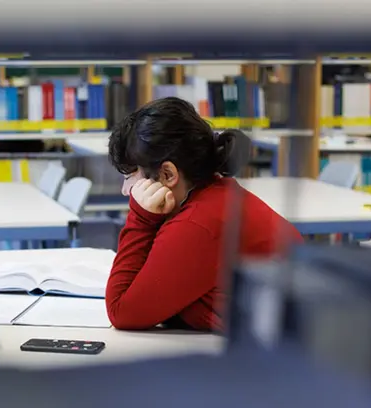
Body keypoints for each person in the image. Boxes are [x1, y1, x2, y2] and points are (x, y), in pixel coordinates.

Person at [106, 97, 302, 332]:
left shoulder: (199, 222)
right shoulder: (212, 192)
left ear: (168, 174)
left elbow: (122, 312)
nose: (125, 190)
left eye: (129, 177)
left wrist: (141, 219)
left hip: (291, 354)